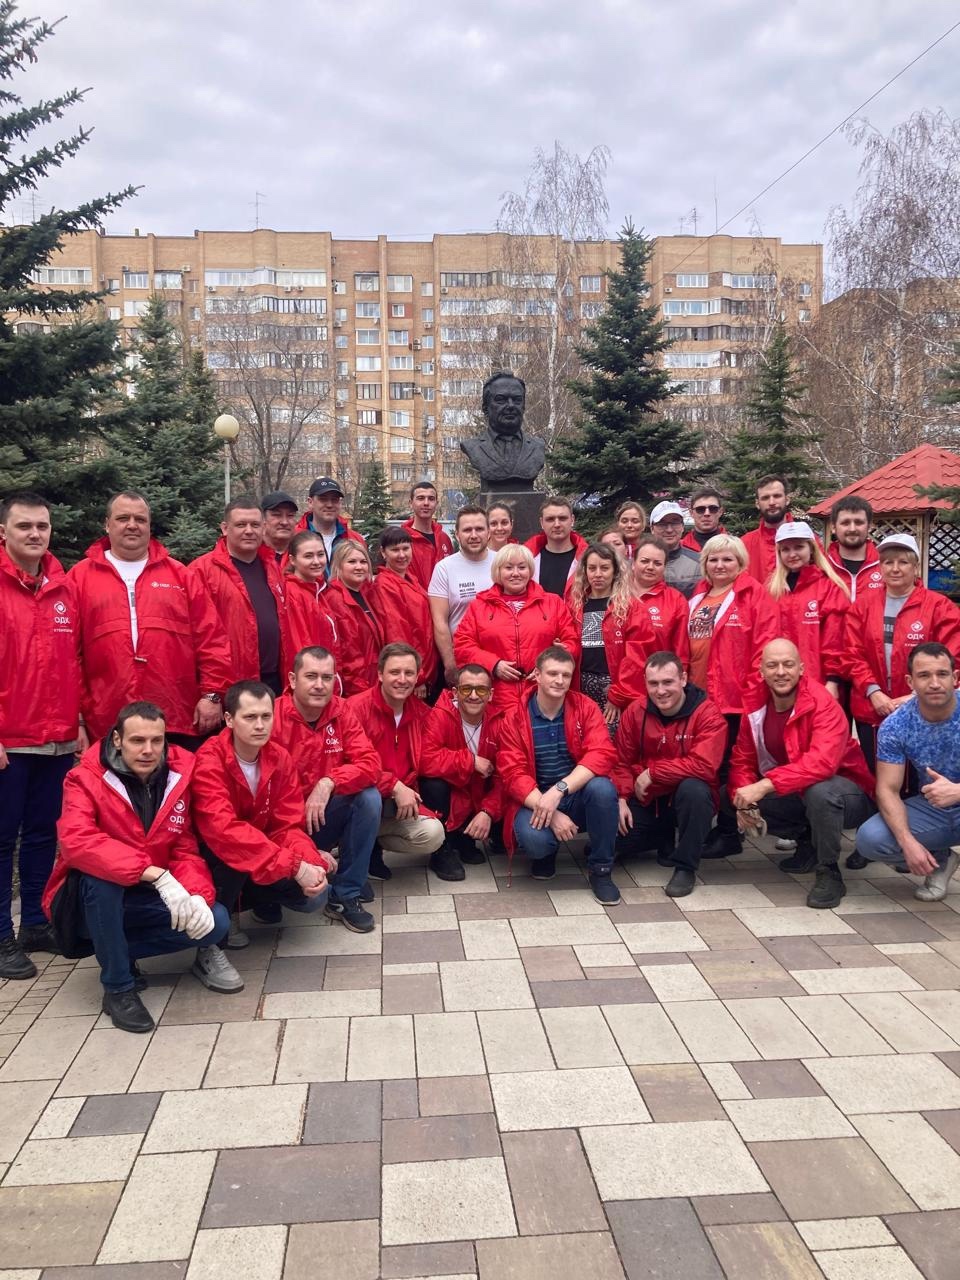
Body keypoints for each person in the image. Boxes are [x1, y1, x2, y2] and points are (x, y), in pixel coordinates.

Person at [44, 702, 235, 1033]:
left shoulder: (178, 776)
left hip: (145, 893)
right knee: (101, 880)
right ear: (117, 740)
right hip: (87, 902)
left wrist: (196, 895)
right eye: (137, 740)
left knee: (215, 923)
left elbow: (183, 846)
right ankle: (118, 987)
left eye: (156, 740)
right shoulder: (83, 778)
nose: (148, 750)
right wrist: (155, 874)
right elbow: (77, 842)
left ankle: (115, 950)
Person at [71, 491, 232, 748]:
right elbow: (69, 654)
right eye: (123, 518)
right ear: (107, 524)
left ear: (149, 525)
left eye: (140, 519)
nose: (132, 525)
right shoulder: (79, 578)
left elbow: (211, 639)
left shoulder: (181, 576)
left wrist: (212, 695)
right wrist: (78, 717)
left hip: (175, 716)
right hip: (107, 719)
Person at [0, 491, 83, 979]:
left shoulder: (63, 587)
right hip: (10, 741)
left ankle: (33, 922)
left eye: (42, 526)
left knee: (42, 835)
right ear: (4, 532)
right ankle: (1, 936)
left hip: (56, 739)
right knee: (1, 839)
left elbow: (75, 660)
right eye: (24, 526)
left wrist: (77, 723)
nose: (35, 534)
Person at [729, 640, 876, 908]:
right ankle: (808, 842)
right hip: (797, 788)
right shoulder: (754, 703)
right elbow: (742, 758)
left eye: (788, 664)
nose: (780, 672)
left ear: (801, 668)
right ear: (761, 671)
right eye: (772, 665)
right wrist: (745, 799)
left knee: (821, 792)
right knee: (732, 796)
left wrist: (764, 785)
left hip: (848, 794)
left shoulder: (823, 703)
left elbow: (822, 764)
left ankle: (829, 870)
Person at [192, 681, 334, 928]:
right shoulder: (209, 760)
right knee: (234, 853)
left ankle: (257, 904)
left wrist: (312, 862)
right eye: (250, 717)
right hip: (217, 855)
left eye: (266, 716)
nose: (260, 725)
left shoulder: (279, 757)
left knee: (316, 894)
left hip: (262, 852)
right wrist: (296, 866)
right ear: (229, 719)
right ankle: (220, 928)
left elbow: (287, 826)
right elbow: (223, 831)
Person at [497, 646, 621, 903]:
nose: (559, 680)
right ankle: (546, 854)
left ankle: (601, 870)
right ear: (537, 675)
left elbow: (601, 753)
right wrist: (551, 812)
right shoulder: (515, 716)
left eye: (566, 675)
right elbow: (512, 773)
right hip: (535, 798)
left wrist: (559, 790)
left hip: (573, 794)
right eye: (552, 673)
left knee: (603, 789)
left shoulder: (585, 707)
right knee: (535, 841)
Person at [273, 647, 381, 933]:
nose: (320, 685)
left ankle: (346, 893)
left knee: (368, 798)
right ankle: (266, 898)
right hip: (280, 828)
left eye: (327, 677)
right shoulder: (270, 716)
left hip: (320, 817)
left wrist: (329, 781)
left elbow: (370, 763)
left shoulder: (341, 710)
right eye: (311, 676)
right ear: (293, 679)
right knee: (309, 897)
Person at [688, 533, 780, 857]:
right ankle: (713, 826)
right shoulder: (699, 596)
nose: (720, 565)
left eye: (727, 559)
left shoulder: (753, 596)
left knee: (728, 767)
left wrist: (751, 696)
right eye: (713, 559)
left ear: (740, 563)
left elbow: (764, 649)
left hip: (733, 700)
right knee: (707, 766)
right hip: (700, 698)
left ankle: (730, 832)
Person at [842, 532, 960, 771]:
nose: (895, 569)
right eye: (888, 562)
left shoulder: (939, 607)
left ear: (915, 567)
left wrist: (915, 696)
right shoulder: (863, 606)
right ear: (880, 567)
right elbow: (851, 653)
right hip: (872, 708)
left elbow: (953, 658)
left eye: (903, 562)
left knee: (922, 778)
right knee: (878, 776)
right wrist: (873, 692)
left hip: (924, 710)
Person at [614, 651, 727, 898]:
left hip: (686, 800)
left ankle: (685, 866)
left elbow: (704, 766)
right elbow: (621, 761)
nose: (660, 691)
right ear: (645, 683)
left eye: (668, 682)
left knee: (694, 790)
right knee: (609, 841)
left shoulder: (707, 713)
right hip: (648, 799)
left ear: (683, 679)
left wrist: (654, 773)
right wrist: (621, 798)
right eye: (653, 683)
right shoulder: (635, 711)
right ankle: (660, 838)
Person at [855, 643, 960, 902]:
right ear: (910, 682)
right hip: (935, 809)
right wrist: (907, 843)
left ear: (955, 678)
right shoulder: (896, 726)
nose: (934, 683)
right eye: (924, 675)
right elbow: (887, 790)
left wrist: (958, 791)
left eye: (942, 674)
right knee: (871, 839)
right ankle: (941, 859)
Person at [348, 644, 453, 881]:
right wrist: (393, 785)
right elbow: (350, 764)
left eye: (409, 673)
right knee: (369, 799)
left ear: (417, 677)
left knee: (433, 834)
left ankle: (372, 842)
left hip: (399, 803)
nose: (402, 680)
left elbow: (432, 757)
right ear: (380, 674)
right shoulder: (355, 709)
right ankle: (356, 849)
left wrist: (470, 760)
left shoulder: (422, 713)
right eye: (395, 672)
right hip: (361, 799)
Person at [454, 543, 580, 712]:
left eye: (522, 567)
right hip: (497, 696)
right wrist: (493, 665)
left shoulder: (553, 603)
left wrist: (551, 661)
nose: (515, 573)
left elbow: (572, 642)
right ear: (498, 571)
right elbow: (462, 646)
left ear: (530, 570)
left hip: (542, 695)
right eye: (508, 568)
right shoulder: (479, 606)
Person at [190, 497, 289, 694]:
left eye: (255, 525)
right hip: (231, 685)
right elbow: (200, 636)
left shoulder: (272, 567)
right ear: (225, 528)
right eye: (241, 525)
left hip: (274, 680)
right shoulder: (201, 571)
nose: (249, 531)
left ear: (264, 528)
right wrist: (211, 691)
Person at [420, 664, 504, 867]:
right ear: (455, 692)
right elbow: (425, 760)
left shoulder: (500, 722)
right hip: (451, 792)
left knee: (507, 830)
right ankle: (441, 848)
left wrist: (488, 811)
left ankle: (465, 838)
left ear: (491, 694)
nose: (473, 696)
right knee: (433, 784)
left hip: (479, 795)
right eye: (466, 689)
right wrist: (470, 761)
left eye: (481, 690)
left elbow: (506, 775)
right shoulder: (440, 715)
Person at [566, 542, 656, 723]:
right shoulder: (575, 606)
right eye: (592, 568)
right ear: (585, 571)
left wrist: (618, 695)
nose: (598, 574)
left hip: (614, 688)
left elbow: (636, 657)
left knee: (613, 735)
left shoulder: (631, 607)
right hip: (580, 687)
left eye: (605, 568)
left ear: (615, 571)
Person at [766, 520, 849, 689]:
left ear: (811, 548)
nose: (792, 554)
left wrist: (832, 681)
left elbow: (835, 640)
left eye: (799, 547)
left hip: (818, 682)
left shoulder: (829, 588)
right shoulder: (771, 590)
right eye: (785, 549)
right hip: (779, 684)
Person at [429, 506, 496, 687]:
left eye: (479, 529)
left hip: (500, 659)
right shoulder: (444, 568)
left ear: (489, 532)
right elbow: (439, 621)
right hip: (463, 660)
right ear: (457, 535)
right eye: (467, 530)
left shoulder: (503, 563)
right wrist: (450, 662)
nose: (474, 535)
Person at [368, 525, 439, 697]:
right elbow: (396, 632)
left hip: (425, 667)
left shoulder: (410, 578)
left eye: (405, 548)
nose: (401, 555)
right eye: (395, 550)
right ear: (383, 552)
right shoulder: (385, 585)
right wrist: (416, 676)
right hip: (413, 675)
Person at [459, 372, 545, 488]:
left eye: (517, 400)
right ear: (485, 408)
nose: (511, 406)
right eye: (501, 400)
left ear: (523, 407)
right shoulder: (473, 447)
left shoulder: (537, 446)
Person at [323, 540, 384, 696]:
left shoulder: (363, 593)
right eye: (352, 562)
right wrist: (362, 692)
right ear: (339, 565)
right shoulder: (336, 599)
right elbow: (348, 653)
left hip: (372, 681)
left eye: (363, 562)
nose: (359, 567)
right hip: (357, 688)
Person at [629, 536, 692, 666]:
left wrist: (681, 673)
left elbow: (681, 649)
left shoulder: (676, 600)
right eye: (645, 561)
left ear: (664, 567)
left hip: (657, 675)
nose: (650, 567)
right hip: (615, 677)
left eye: (657, 563)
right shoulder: (616, 594)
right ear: (633, 563)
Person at [284, 531, 339, 666]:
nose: (316, 561)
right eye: (308, 556)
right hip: (312, 672)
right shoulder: (293, 592)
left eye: (320, 554)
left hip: (324, 670)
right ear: (292, 560)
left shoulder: (318, 590)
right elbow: (300, 643)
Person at [295, 476, 365, 575]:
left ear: (340, 503)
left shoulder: (355, 539)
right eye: (323, 499)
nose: (329, 505)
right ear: (310, 502)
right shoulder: (294, 538)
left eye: (334, 500)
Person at [740, 475, 800, 584]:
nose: (771, 502)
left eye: (777, 496)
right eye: (765, 498)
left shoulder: (807, 539)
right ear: (757, 503)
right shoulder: (744, 545)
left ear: (787, 499)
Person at [524, 496, 589, 596]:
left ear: (572, 520)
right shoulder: (527, 558)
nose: (557, 524)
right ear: (541, 523)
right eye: (550, 519)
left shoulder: (587, 558)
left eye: (562, 518)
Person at [826, 495, 882, 601]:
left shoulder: (885, 566)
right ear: (833, 527)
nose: (852, 529)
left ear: (869, 526)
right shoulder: (822, 568)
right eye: (845, 523)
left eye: (859, 522)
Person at [402, 480, 453, 590]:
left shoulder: (444, 538)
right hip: (415, 599)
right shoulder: (402, 540)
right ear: (410, 503)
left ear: (436, 504)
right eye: (420, 498)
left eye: (431, 499)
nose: (426, 503)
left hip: (443, 600)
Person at [650, 501, 700, 598]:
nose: (669, 530)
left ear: (682, 527)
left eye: (675, 523)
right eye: (662, 524)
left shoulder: (699, 563)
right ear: (652, 528)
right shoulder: (639, 563)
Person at [682, 487, 727, 553]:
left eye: (713, 508)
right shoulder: (680, 548)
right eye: (700, 509)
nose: (707, 513)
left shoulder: (735, 547)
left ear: (720, 512)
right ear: (691, 513)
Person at [260, 491, 299, 564]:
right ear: (263, 519)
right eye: (277, 515)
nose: (284, 522)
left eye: (290, 515)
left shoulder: (304, 555)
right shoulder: (251, 555)